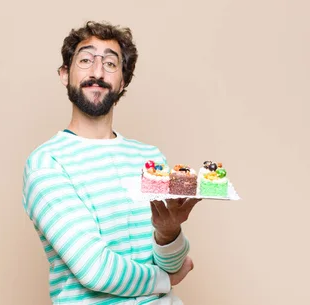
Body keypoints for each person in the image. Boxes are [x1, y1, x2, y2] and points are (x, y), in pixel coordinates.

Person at [22, 21, 201, 304]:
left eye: (110, 63)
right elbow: (95, 269)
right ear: (65, 74)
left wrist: (169, 234)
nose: (97, 72)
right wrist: (165, 281)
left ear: (123, 81)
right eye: (85, 60)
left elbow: (172, 264)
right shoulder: (47, 163)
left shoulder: (150, 160)